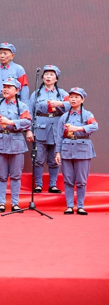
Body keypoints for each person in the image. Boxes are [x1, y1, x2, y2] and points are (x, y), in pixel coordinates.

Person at [0, 77, 33, 213]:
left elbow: (28, 122)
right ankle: (1, 203)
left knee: (16, 175)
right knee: (1, 175)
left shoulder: (22, 106)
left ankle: (15, 203)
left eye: (9, 87)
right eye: (4, 87)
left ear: (17, 90)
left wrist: (11, 122)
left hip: (16, 143)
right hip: (0, 142)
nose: (5, 89)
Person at [54, 87, 98, 215]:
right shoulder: (64, 117)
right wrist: (58, 152)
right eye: (71, 97)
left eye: (76, 97)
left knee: (81, 180)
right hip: (67, 149)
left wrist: (78, 128)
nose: (73, 99)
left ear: (82, 99)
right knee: (68, 179)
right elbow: (59, 136)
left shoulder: (87, 114)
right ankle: (69, 206)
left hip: (82, 149)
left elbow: (94, 126)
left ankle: (80, 206)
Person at [30, 65, 68, 194]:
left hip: (57, 128)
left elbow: (72, 105)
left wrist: (60, 103)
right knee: (38, 159)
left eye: (52, 75)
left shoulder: (62, 93)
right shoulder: (36, 93)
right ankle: (38, 184)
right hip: (40, 128)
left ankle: (53, 185)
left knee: (54, 159)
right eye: (46, 74)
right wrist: (29, 130)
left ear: (56, 78)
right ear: (42, 77)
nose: (48, 77)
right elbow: (29, 112)